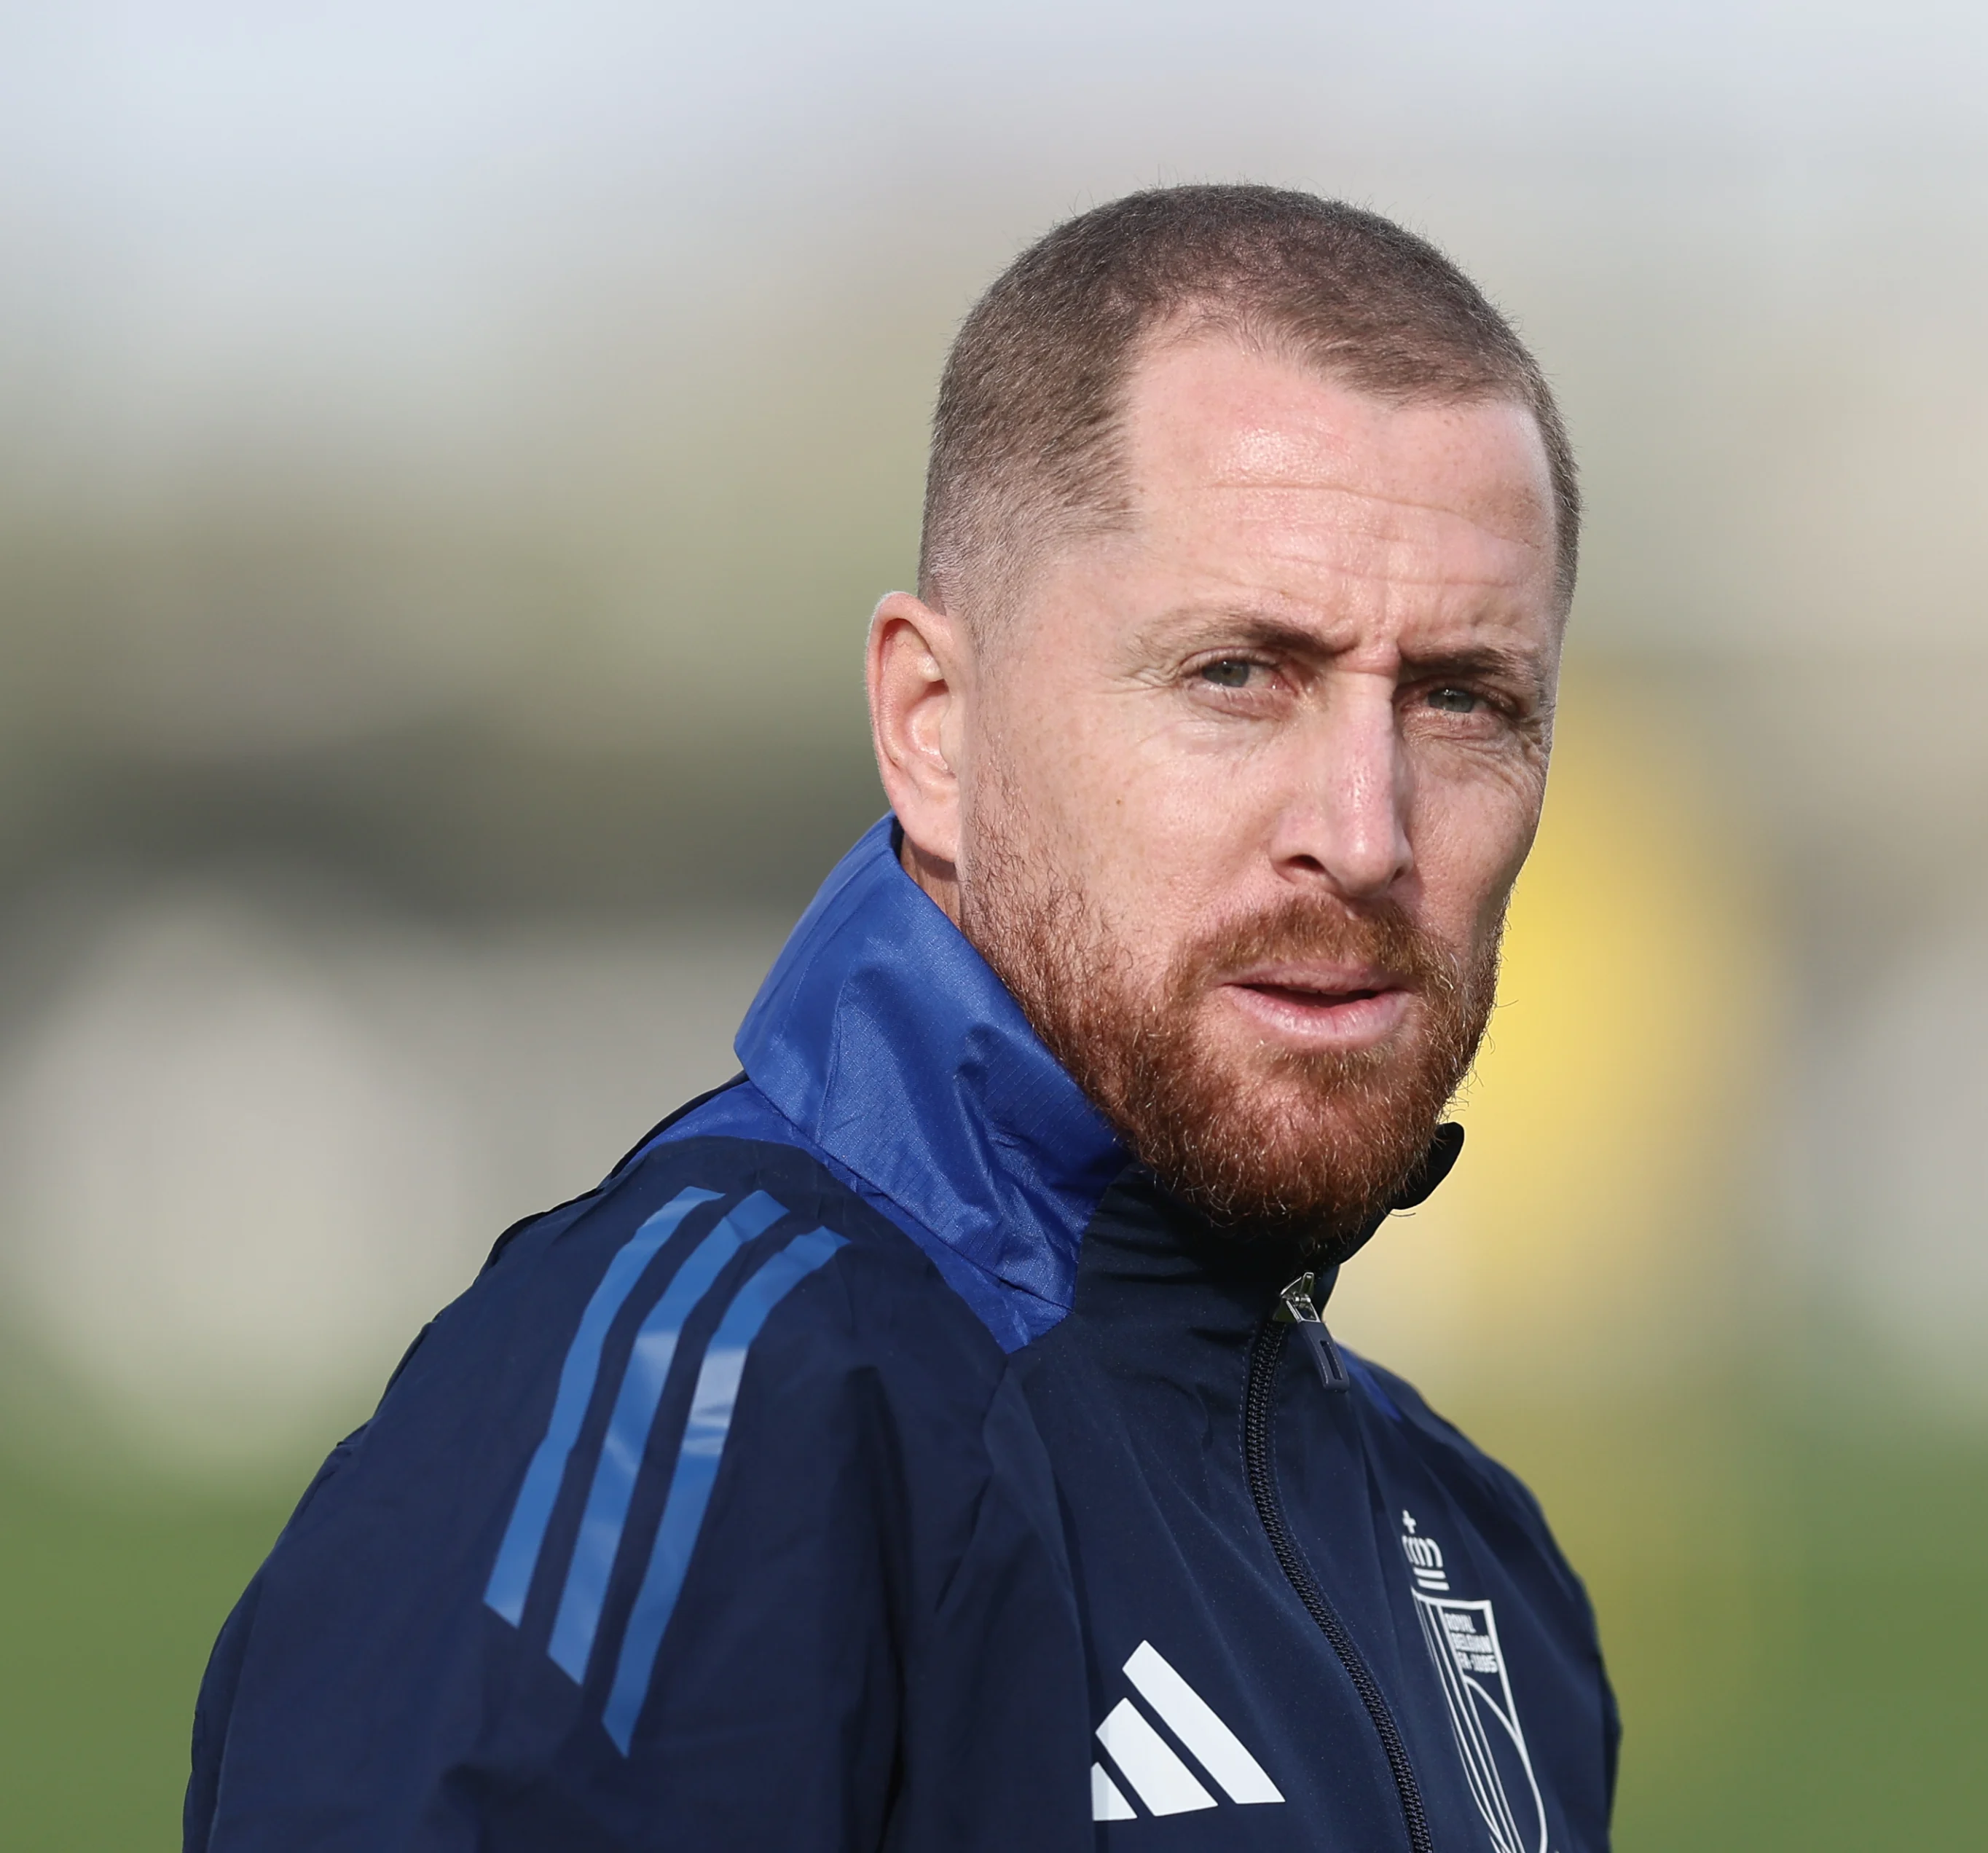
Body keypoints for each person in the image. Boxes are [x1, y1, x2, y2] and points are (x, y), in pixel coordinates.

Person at [184, 185, 1614, 1852]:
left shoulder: (1476, 1563)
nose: (1364, 831)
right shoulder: (713, 1397)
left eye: (1464, 700)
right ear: (934, 726)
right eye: (1239, 673)